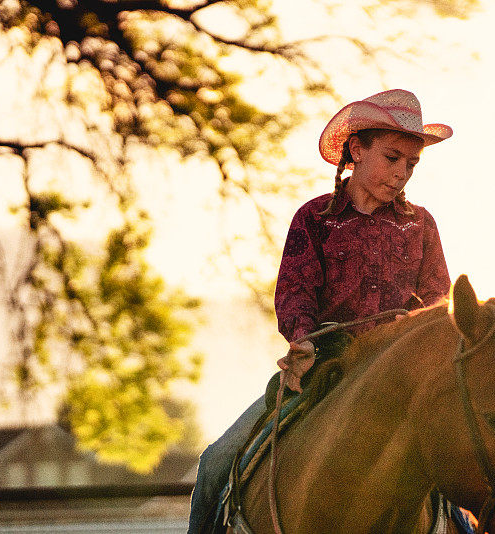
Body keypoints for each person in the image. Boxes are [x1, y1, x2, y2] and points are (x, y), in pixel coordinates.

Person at [188, 89, 453, 534]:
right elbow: (295, 292)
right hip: (324, 367)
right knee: (215, 461)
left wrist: (419, 326)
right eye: (392, 158)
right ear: (356, 149)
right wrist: (303, 339)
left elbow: (438, 298)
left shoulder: (420, 224)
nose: (402, 173)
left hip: (401, 376)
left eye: (411, 164)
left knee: (466, 470)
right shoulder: (315, 219)